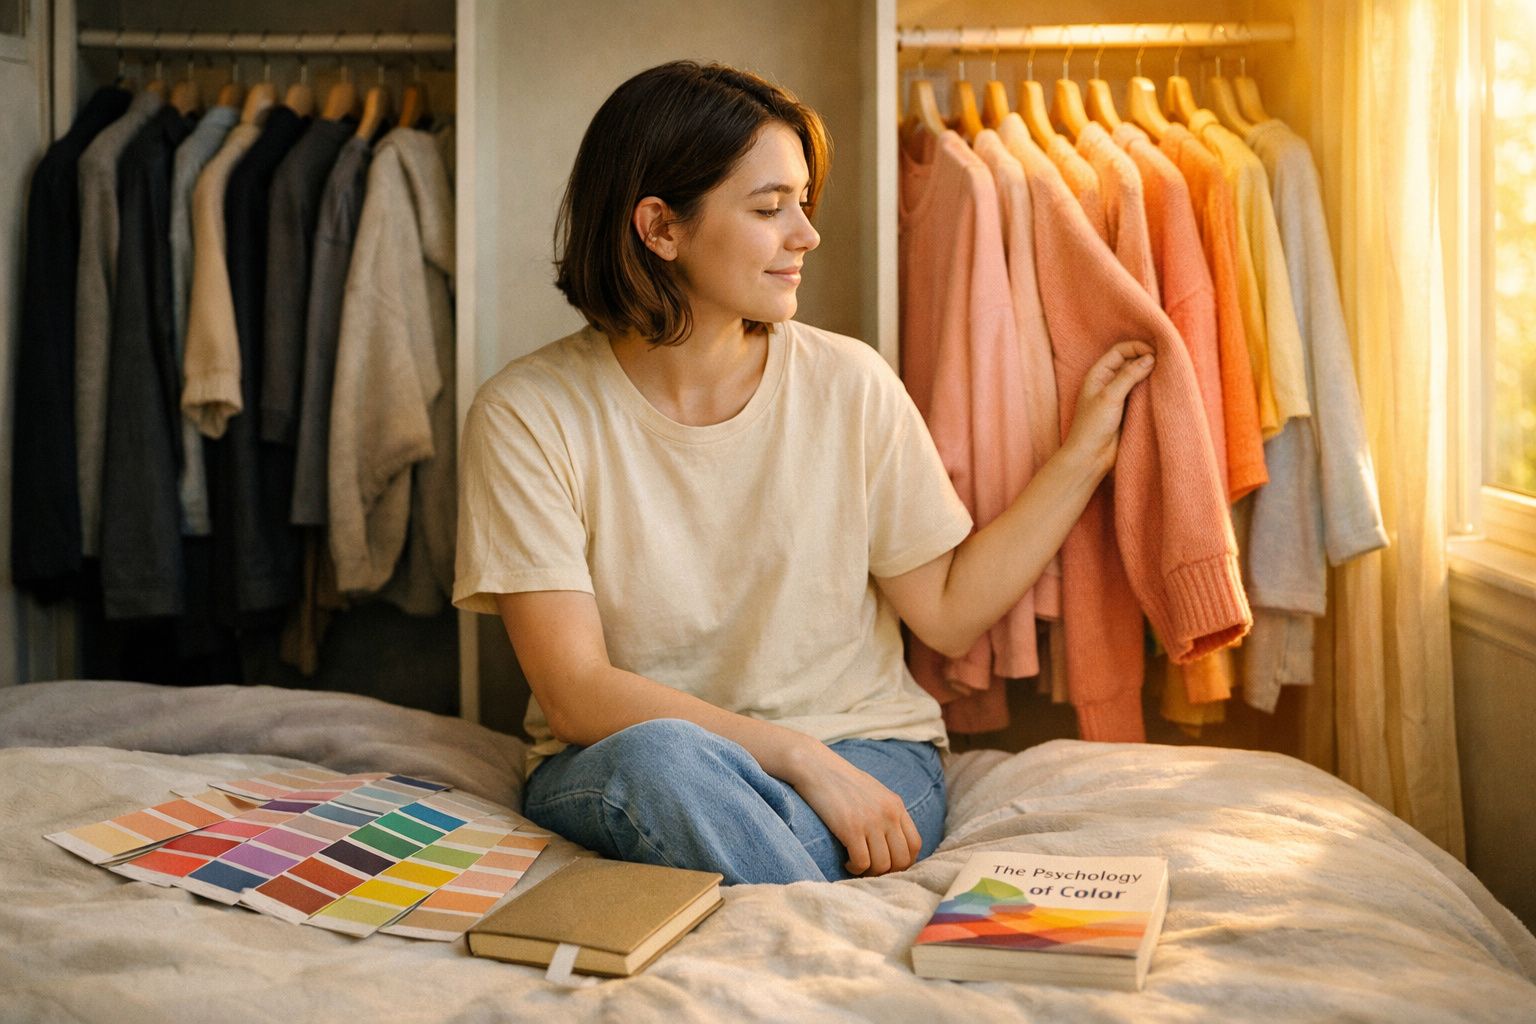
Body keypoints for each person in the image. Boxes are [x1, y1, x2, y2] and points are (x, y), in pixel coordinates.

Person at [453, 61, 1154, 886]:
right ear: (660, 227)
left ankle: (773, 899)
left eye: (803, 203)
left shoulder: (850, 383)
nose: (806, 235)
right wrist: (796, 757)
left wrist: (1082, 458)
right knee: (665, 764)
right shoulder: (527, 414)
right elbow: (575, 693)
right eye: (769, 208)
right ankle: (825, 924)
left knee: (735, 822)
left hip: (865, 751)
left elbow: (948, 612)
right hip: (638, 762)